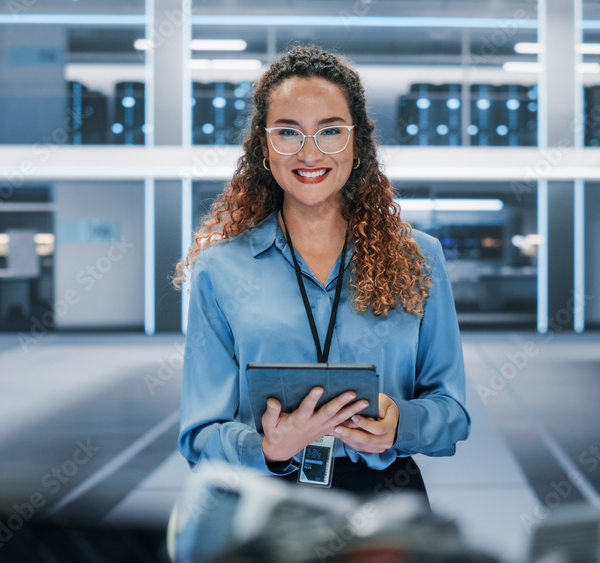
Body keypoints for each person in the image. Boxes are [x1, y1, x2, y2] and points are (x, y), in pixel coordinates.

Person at [174, 46, 470, 501]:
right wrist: (267, 447)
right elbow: (199, 434)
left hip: (385, 499)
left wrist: (400, 425)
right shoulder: (219, 269)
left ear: (358, 143)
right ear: (263, 146)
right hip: (263, 502)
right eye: (288, 133)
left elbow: (452, 411)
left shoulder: (419, 258)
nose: (309, 153)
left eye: (330, 131)